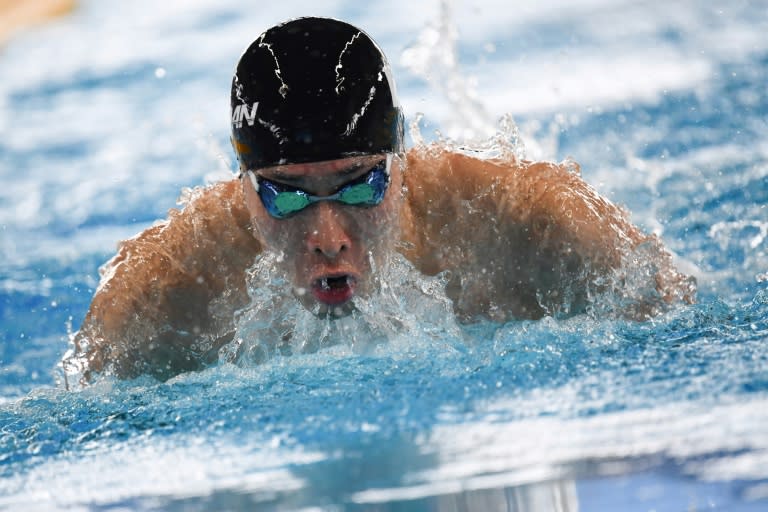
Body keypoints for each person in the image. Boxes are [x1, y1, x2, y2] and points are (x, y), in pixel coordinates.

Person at [65, 17, 695, 383]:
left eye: (361, 185)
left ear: (402, 163)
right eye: (287, 198)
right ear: (244, 189)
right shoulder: (158, 297)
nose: (329, 235)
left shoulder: (536, 223)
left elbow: (691, 342)